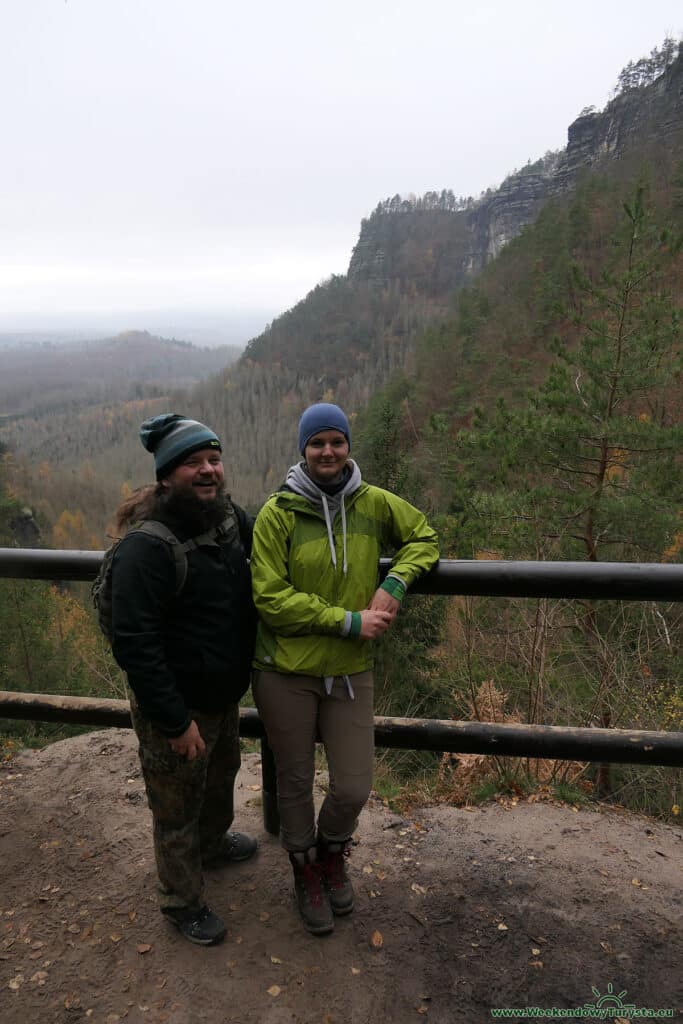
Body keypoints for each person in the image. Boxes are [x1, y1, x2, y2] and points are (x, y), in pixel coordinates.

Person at [250, 402, 439, 935]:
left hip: (350, 672)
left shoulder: (373, 504)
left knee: (354, 786)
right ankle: (304, 869)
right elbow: (270, 598)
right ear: (303, 450)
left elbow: (424, 537)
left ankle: (332, 852)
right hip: (284, 670)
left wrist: (396, 582)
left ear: (348, 446)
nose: (328, 452)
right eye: (317, 443)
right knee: (293, 780)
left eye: (336, 441)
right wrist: (348, 621)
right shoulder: (277, 514)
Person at [110, 413, 257, 946]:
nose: (207, 470)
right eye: (193, 462)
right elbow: (137, 645)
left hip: (220, 697)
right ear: (167, 473)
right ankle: (181, 901)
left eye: (213, 460)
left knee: (220, 777)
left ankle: (213, 846)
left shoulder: (225, 518)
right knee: (175, 807)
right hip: (176, 707)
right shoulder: (146, 548)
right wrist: (175, 721)